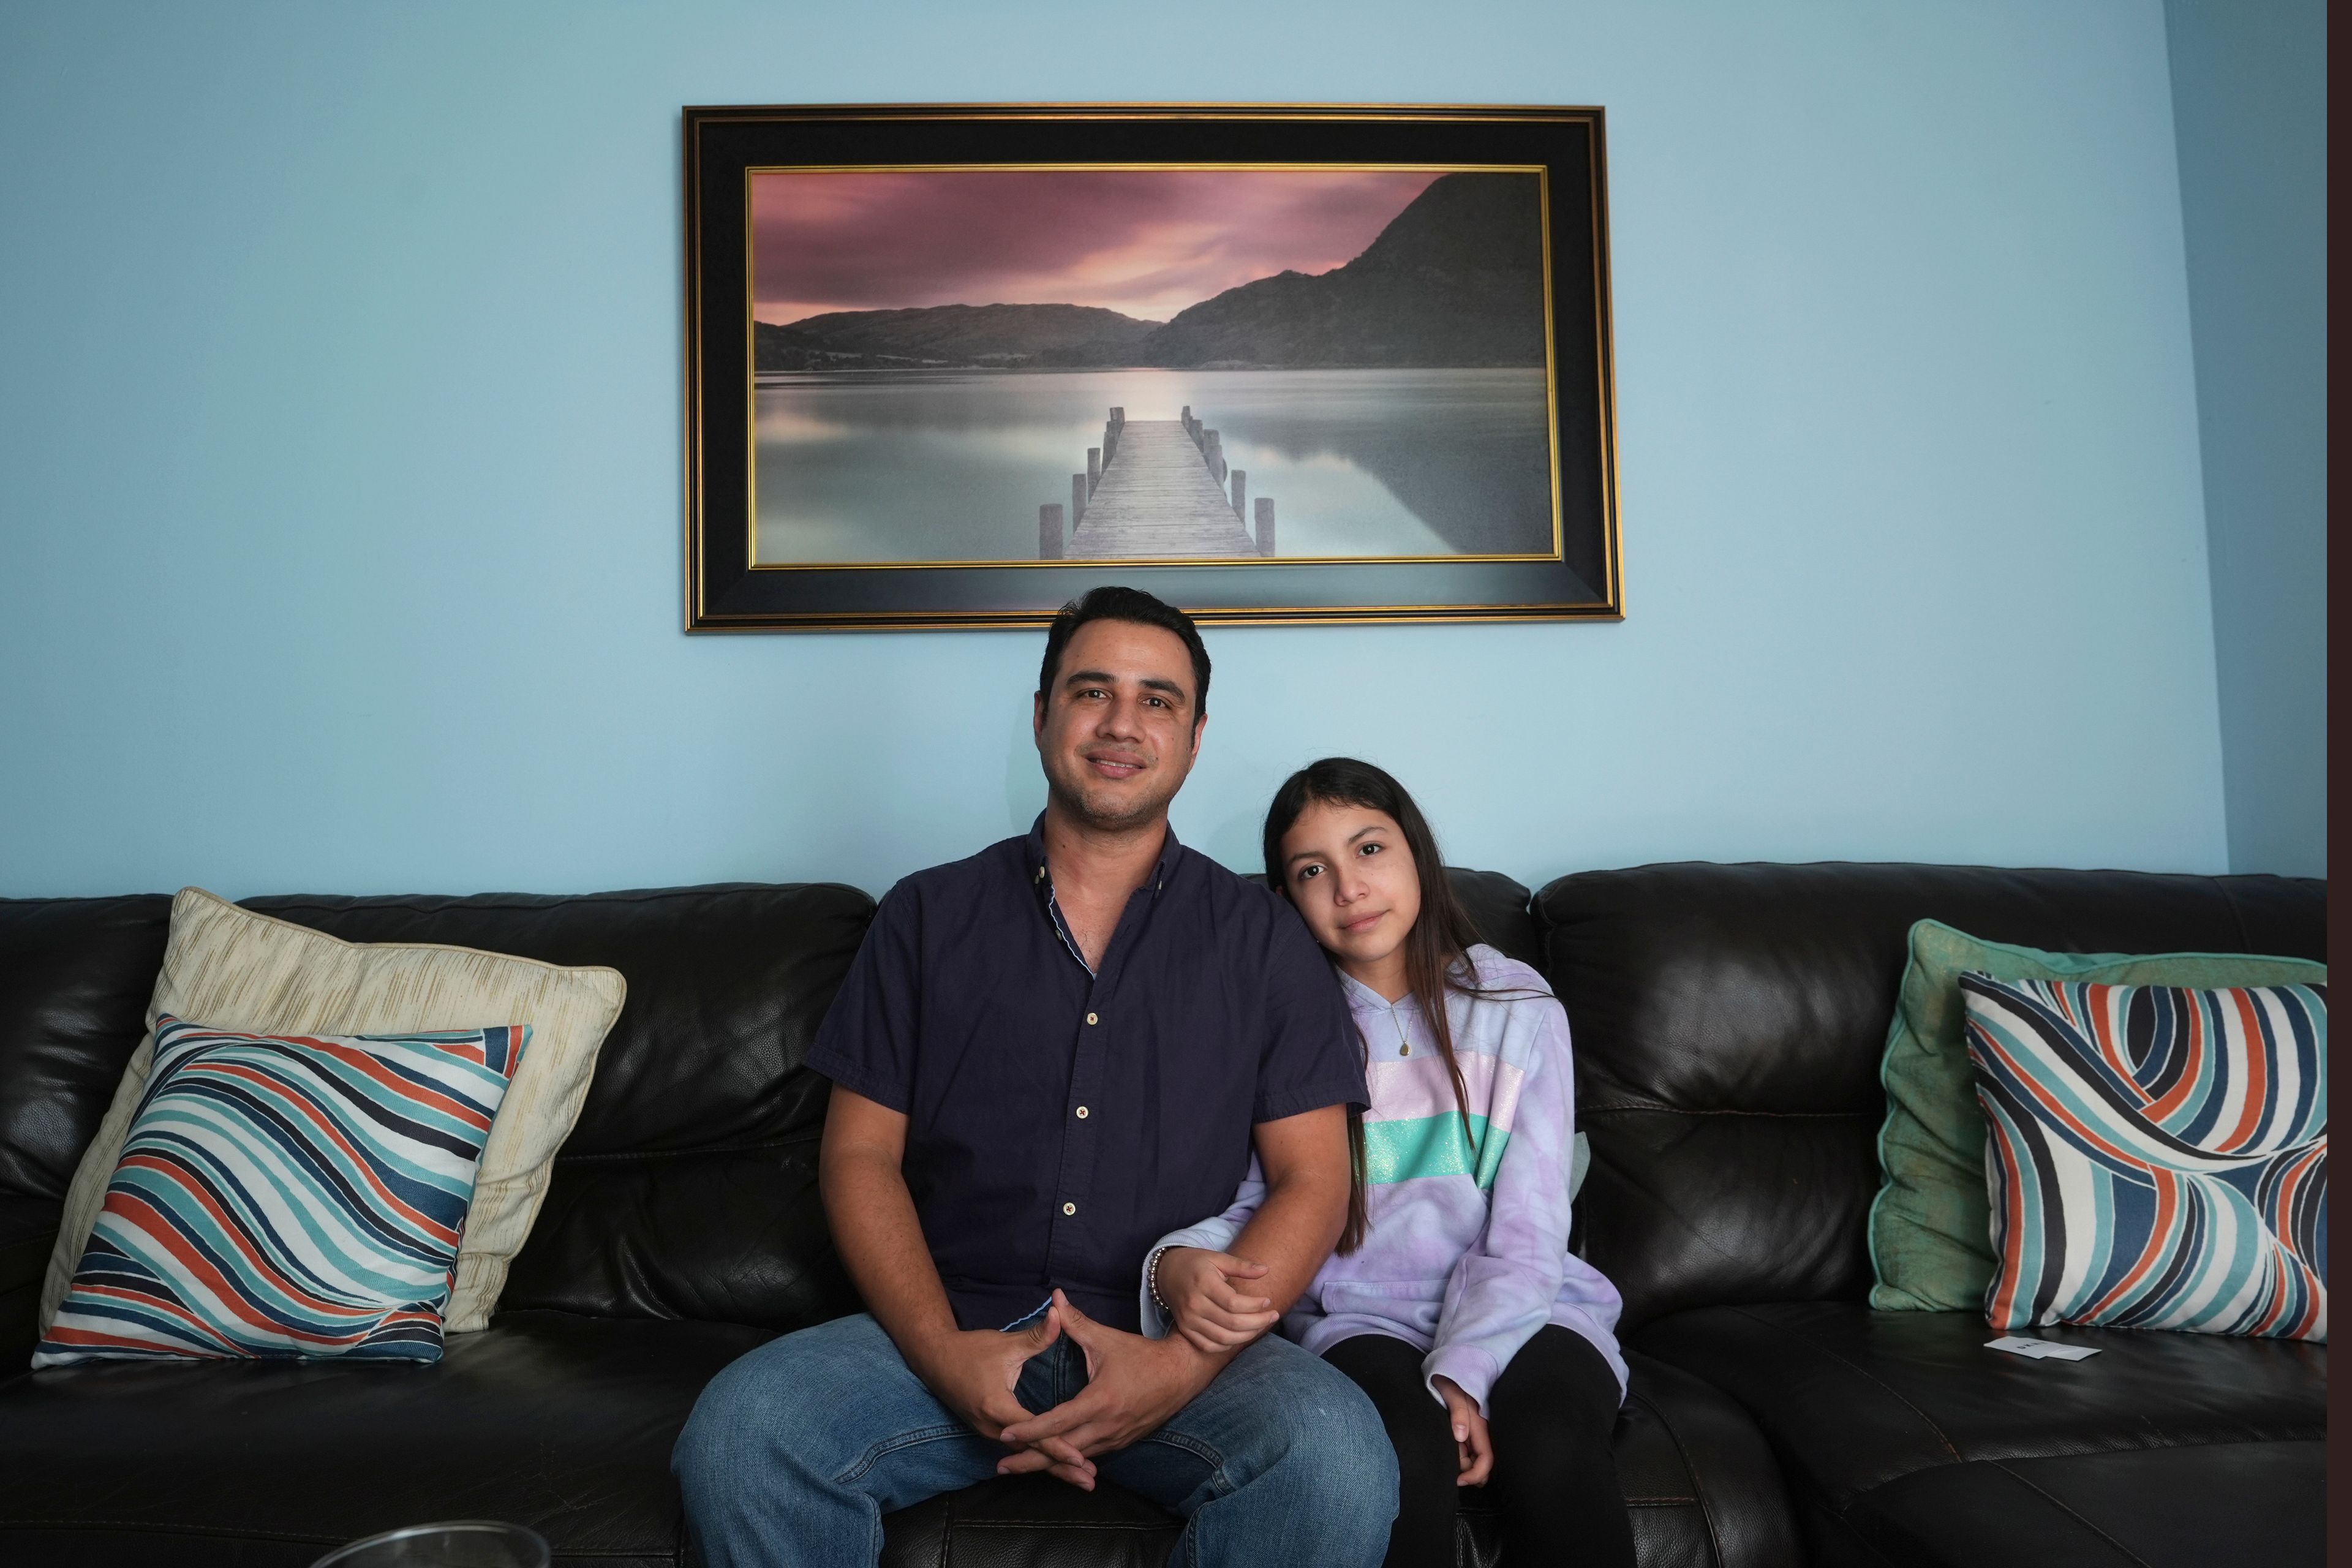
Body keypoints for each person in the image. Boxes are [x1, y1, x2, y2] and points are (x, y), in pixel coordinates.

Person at [673, 589, 1398, 1568]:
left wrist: (1180, 1370)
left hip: (1167, 1333)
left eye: (1158, 701)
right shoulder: (925, 917)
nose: (1122, 725)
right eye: (1092, 691)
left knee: (1338, 1458)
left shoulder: (1264, 939)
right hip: (949, 1327)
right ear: (1042, 713)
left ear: (1194, 736)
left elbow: (1315, 1179)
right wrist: (942, 1353)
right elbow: (857, 1156)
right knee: (744, 1432)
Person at [1141, 757, 1635, 1568]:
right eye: (1312, 870)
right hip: (1360, 1317)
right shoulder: (1284, 1032)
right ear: (1285, 900)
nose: (1348, 886)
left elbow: (1529, 1226)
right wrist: (1180, 1261)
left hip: (1530, 1306)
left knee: (1548, 1440)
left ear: (1415, 853)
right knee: (1401, 1453)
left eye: (1369, 849)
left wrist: (1466, 1374)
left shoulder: (1521, 1009)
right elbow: (1258, 1200)